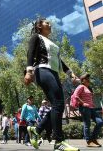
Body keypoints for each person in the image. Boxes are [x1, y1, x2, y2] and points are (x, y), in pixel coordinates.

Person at [24, 18, 80, 151]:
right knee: (58, 104)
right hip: (42, 70)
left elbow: (59, 61)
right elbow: (30, 54)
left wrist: (70, 73)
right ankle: (58, 141)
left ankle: (36, 130)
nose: (49, 24)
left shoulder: (51, 42)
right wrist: (29, 71)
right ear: (39, 26)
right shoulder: (36, 37)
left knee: (58, 105)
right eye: (46, 22)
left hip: (53, 72)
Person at [74, 73, 103, 147]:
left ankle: (93, 139)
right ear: (83, 80)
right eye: (86, 79)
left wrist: (92, 104)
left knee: (100, 122)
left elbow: (89, 98)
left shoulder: (88, 88)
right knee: (87, 124)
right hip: (84, 108)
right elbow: (75, 96)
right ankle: (88, 141)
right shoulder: (81, 86)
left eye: (88, 79)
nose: (88, 80)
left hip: (91, 108)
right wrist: (83, 103)